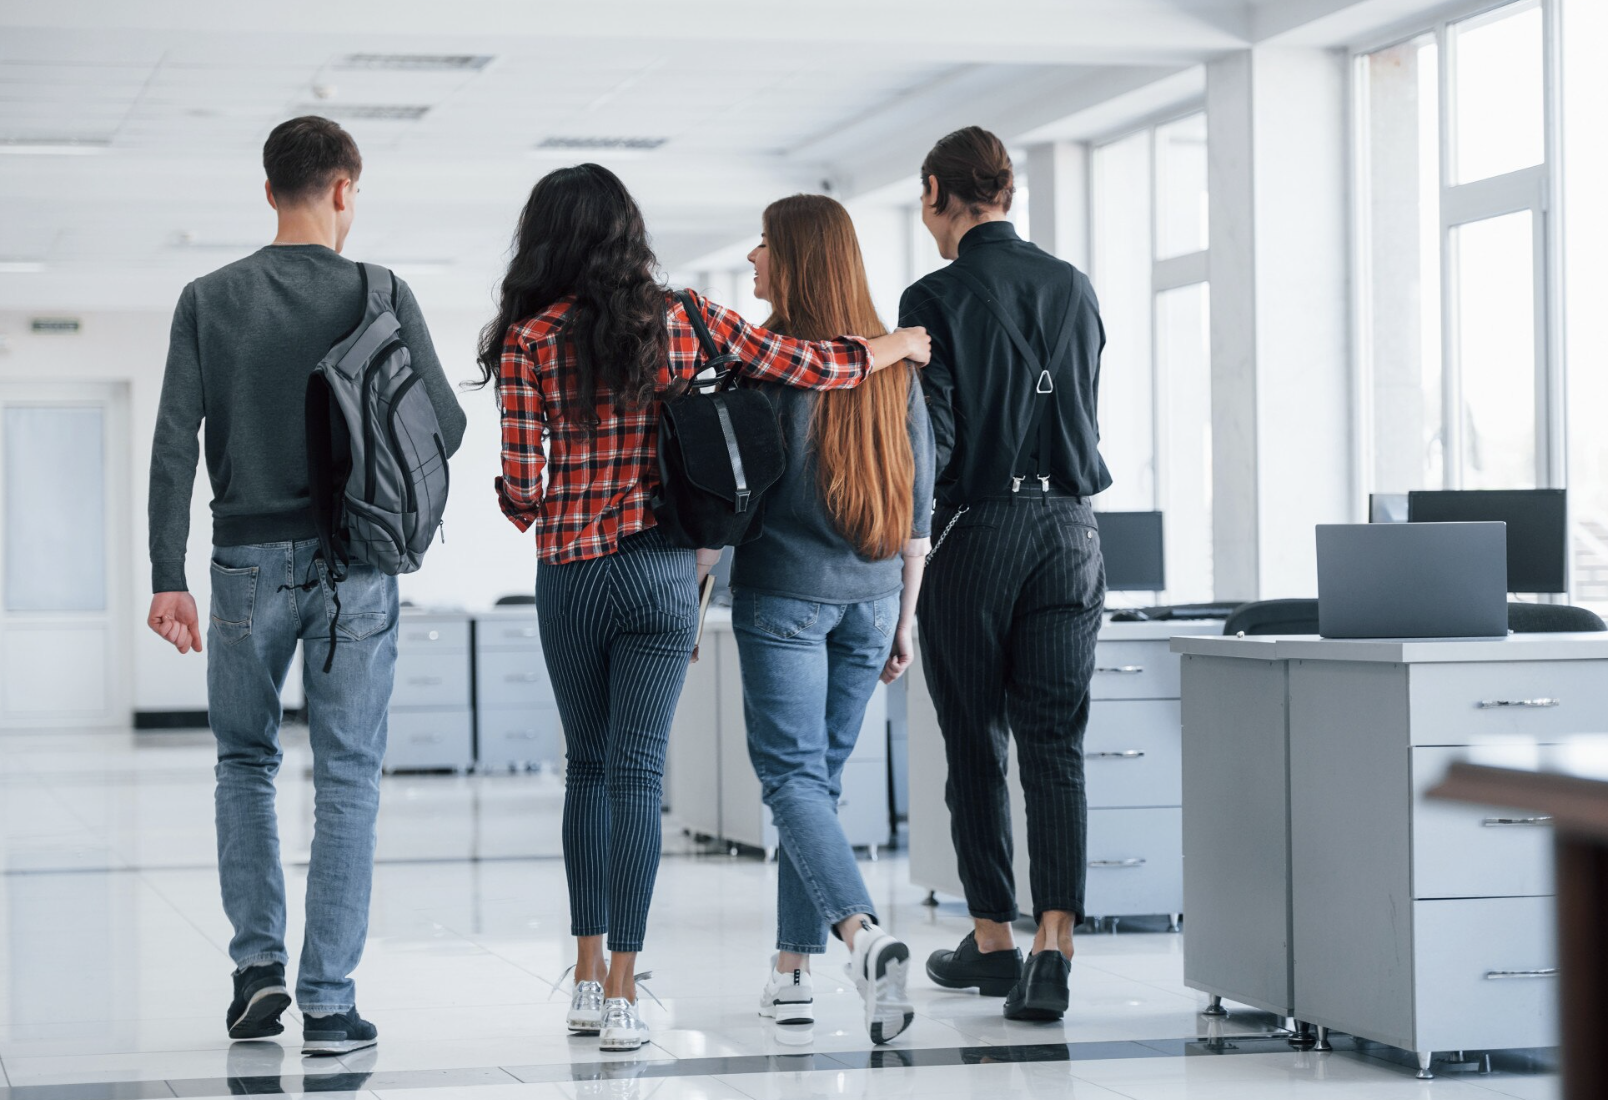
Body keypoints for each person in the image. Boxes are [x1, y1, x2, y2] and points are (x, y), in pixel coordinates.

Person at [481, 164, 930, 1053]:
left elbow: (523, 492)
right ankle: (621, 996)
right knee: (644, 778)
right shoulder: (683, 318)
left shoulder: (527, 339)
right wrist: (894, 346)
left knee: (590, 771)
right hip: (660, 577)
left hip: (573, 574)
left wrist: (532, 494)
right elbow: (816, 363)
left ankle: (580, 976)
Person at [146, 115, 468, 1056]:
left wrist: (170, 579)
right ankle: (329, 1002)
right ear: (343, 190)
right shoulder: (379, 290)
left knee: (244, 763)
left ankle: (256, 974)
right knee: (349, 776)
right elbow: (443, 424)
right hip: (355, 567)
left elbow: (174, 448)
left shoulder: (207, 297)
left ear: (268, 190)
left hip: (242, 565)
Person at [899, 127, 1110, 1021]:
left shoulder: (934, 295)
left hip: (979, 532)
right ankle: (1053, 946)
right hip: (1071, 531)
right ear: (1009, 193)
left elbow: (933, 440)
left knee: (976, 741)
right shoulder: (1074, 285)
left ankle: (992, 940)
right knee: (1055, 744)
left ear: (938, 192)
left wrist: (909, 536)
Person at [731, 194, 935, 1045]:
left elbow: (738, 496)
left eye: (766, 244)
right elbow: (920, 506)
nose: (752, 257)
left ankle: (859, 936)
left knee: (792, 784)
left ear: (798, 261)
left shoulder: (771, 371)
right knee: (817, 785)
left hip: (785, 594)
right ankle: (789, 972)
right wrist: (906, 619)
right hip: (875, 595)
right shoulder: (898, 366)